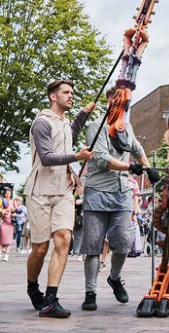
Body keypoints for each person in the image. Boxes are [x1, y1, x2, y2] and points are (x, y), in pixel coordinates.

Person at [80, 85, 158, 312]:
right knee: (93, 245)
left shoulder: (127, 127)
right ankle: (90, 292)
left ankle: (114, 278)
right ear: (108, 102)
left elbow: (136, 147)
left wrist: (148, 167)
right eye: (115, 101)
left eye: (123, 102)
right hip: (97, 192)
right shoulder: (96, 127)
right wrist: (131, 167)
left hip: (122, 193)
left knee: (123, 243)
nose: (119, 105)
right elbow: (103, 159)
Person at [25, 79, 95, 317]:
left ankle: (51, 299)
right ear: (53, 96)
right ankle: (33, 286)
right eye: (66, 92)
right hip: (40, 192)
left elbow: (69, 135)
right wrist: (77, 156)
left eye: (72, 93)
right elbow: (46, 156)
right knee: (40, 248)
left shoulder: (64, 122)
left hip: (64, 189)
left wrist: (83, 114)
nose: (71, 96)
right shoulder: (42, 123)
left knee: (64, 239)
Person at [0, 188, 16, 260]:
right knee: (2, 238)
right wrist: (2, 211)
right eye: (6, 193)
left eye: (9, 193)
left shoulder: (13, 202)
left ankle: (6, 255)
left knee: (9, 240)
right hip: (4, 222)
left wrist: (14, 214)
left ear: (11, 194)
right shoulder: (2, 201)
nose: (7, 195)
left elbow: (15, 211)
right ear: (4, 194)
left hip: (10, 223)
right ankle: (0, 253)